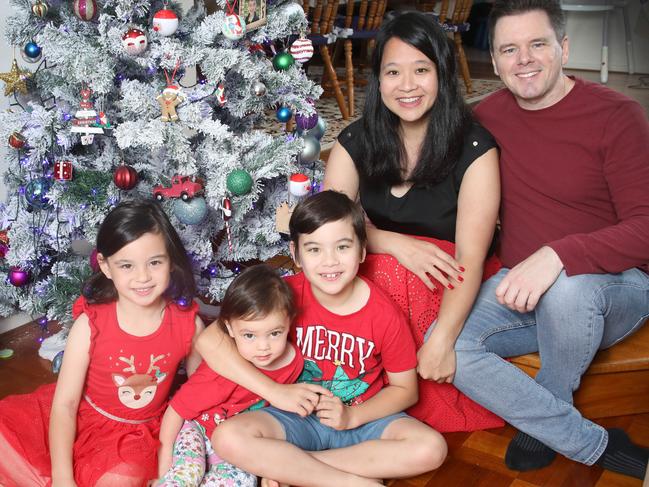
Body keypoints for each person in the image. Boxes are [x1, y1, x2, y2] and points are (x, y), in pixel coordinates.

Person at [451, 0, 649, 479]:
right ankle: (593, 443)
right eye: (509, 50)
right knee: (450, 347)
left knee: (567, 288)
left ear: (563, 47)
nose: (524, 60)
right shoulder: (486, 118)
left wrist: (558, 254)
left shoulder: (618, 115)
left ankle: (547, 409)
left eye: (537, 44)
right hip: (519, 288)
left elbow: (644, 228)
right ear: (494, 62)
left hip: (614, 285)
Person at [323, 10, 503, 432]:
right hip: (384, 282)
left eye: (421, 70)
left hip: (451, 283)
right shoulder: (355, 140)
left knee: (385, 272)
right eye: (393, 72)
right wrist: (392, 242)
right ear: (378, 81)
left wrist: (442, 340)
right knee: (366, 267)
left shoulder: (475, 148)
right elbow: (325, 229)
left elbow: (469, 260)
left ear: (441, 74)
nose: (406, 86)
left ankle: (395, 398)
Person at [196, 190, 447, 486]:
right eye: (314, 249)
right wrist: (276, 393)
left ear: (362, 251)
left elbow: (406, 390)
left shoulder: (384, 315)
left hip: (360, 418)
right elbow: (208, 340)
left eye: (342, 247)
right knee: (228, 437)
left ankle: (294, 469)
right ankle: (346, 482)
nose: (329, 262)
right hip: (296, 417)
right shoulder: (283, 294)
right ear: (296, 255)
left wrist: (353, 417)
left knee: (431, 448)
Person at [0, 200, 204, 487]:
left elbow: (201, 391)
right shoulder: (90, 324)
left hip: (139, 435)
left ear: (170, 261)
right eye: (127, 265)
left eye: (155, 262)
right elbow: (65, 404)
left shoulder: (187, 325)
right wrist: (62, 477)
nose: (143, 277)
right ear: (107, 267)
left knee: (119, 480)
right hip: (85, 417)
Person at [155, 264, 304, 486]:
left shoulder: (293, 364)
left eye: (274, 333)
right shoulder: (221, 371)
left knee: (241, 481)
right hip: (197, 430)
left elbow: (278, 419)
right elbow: (176, 411)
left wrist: (272, 470)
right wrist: (164, 464)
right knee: (189, 473)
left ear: (289, 322)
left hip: (236, 443)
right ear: (231, 329)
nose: (263, 347)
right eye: (250, 336)